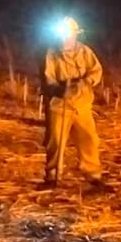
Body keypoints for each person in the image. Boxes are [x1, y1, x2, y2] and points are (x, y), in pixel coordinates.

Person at [39, 16, 106, 187]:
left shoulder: (85, 52)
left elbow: (96, 71)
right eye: (60, 35)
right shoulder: (51, 54)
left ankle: (93, 175)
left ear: (75, 35)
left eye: (67, 35)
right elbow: (48, 79)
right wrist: (60, 90)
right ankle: (53, 175)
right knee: (56, 141)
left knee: (89, 139)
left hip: (82, 105)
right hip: (59, 105)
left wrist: (84, 83)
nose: (64, 39)